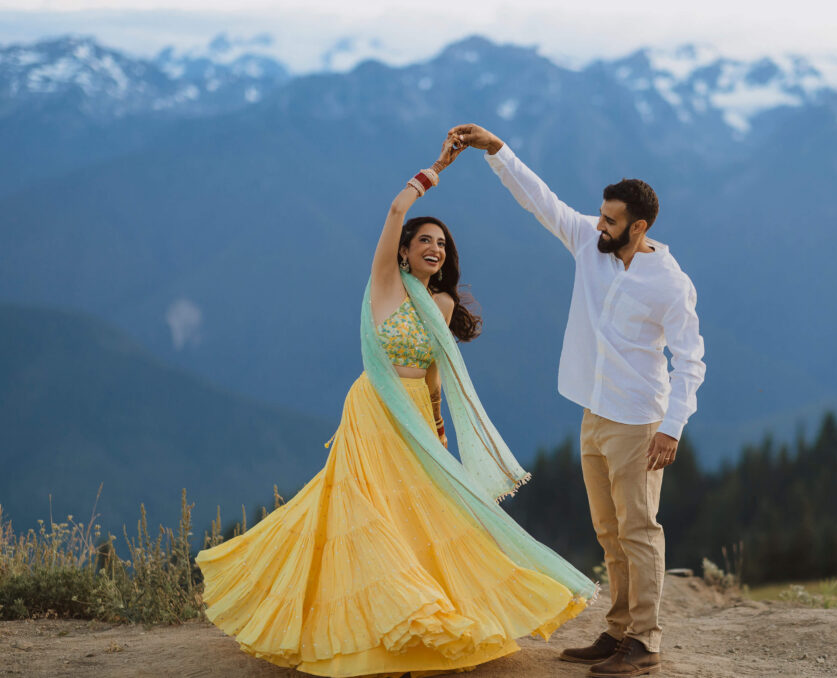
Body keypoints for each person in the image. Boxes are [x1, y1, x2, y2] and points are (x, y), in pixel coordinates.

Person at [196, 137, 596, 678]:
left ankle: (422, 616)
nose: (436, 248)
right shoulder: (386, 284)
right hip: (374, 408)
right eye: (425, 241)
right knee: (367, 510)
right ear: (404, 251)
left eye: (443, 245)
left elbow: (435, 370)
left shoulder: (443, 302)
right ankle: (382, 624)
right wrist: (434, 170)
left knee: (420, 512)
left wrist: (436, 420)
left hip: (414, 411)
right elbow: (394, 209)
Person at [449, 123, 706, 678]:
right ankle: (617, 631)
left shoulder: (670, 283)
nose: (599, 225)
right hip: (593, 410)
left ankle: (646, 639)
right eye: (601, 215)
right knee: (608, 530)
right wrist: (497, 151)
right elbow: (542, 201)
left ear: (639, 227)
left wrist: (673, 428)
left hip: (640, 421)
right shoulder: (591, 245)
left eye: (611, 220)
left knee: (639, 530)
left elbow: (691, 361)